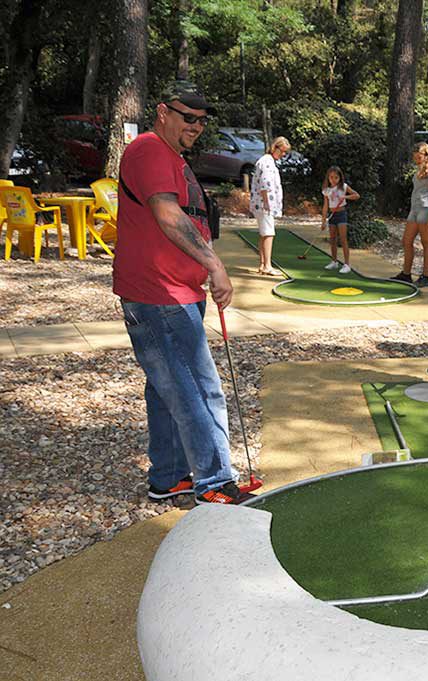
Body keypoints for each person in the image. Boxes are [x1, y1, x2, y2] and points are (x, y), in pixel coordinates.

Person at [113, 80, 254, 505]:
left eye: (201, 119)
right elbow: (168, 215)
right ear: (162, 112)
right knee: (199, 387)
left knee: (166, 387)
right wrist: (215, 264)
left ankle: (170, 476)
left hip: (172, 291)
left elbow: (191, 220)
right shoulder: (151, 149)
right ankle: (215, 483)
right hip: (159, 294)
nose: (195, 125)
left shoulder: (172, 157)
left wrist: (203, 267)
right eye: (186, 116)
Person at [394, 142, 428, 287]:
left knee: (426, 243)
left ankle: (425, 277)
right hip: (415, 208)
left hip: (427, 209)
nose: (416, 160)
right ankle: (406, 274)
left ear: (425, 155)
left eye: (418, 157)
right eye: (415, 158)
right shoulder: (420, 168)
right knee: (406, 240)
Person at [250, 136, 291, 275]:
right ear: (275, 148)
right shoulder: (267, 162)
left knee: (264, 233)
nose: (283, 154)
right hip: (264, 203)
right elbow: (265, 184)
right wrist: (267, 203)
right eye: (282, 151)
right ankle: (267, 265)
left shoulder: (267, 161)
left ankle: (263, 264)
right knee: (268, 233)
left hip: (262, 203)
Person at [320, 166, 360, 272]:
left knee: (343, 239)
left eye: (336, 177)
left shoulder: (344, 187)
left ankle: (347, 265)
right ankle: (334, 262)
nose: (333, 179)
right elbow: (325, 206)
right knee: (332, 239)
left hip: (341, 214)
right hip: (332, 215)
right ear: (328, 177)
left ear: (340, 178)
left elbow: (356, 195)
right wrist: (323, 221)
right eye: (331, 177)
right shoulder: (326, 190)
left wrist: (345, 197)